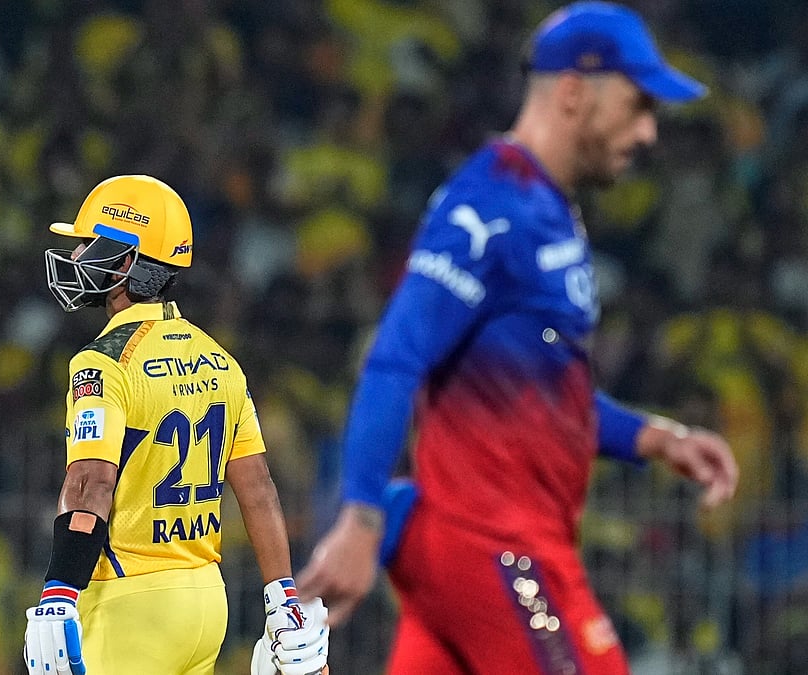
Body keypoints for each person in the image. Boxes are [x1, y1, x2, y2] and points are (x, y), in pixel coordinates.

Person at [298, 3, 740, 673]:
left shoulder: (550, 212)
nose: (649, 131)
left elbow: (544, 397)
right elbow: (397, 354)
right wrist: (359, 517)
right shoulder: (490, 202)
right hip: (496, 545)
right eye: (637, 104)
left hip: (478, 546)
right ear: (572, 93)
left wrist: (657, 437)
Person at [22, 175, 328, 675]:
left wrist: (58, 593)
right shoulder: (220, 359)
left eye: (86, 244)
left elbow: (90, 483)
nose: (75, 256)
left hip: (129, 600)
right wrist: (283, 599)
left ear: (124, 261)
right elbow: (258, 488)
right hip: (206, 598)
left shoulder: (101, 363)